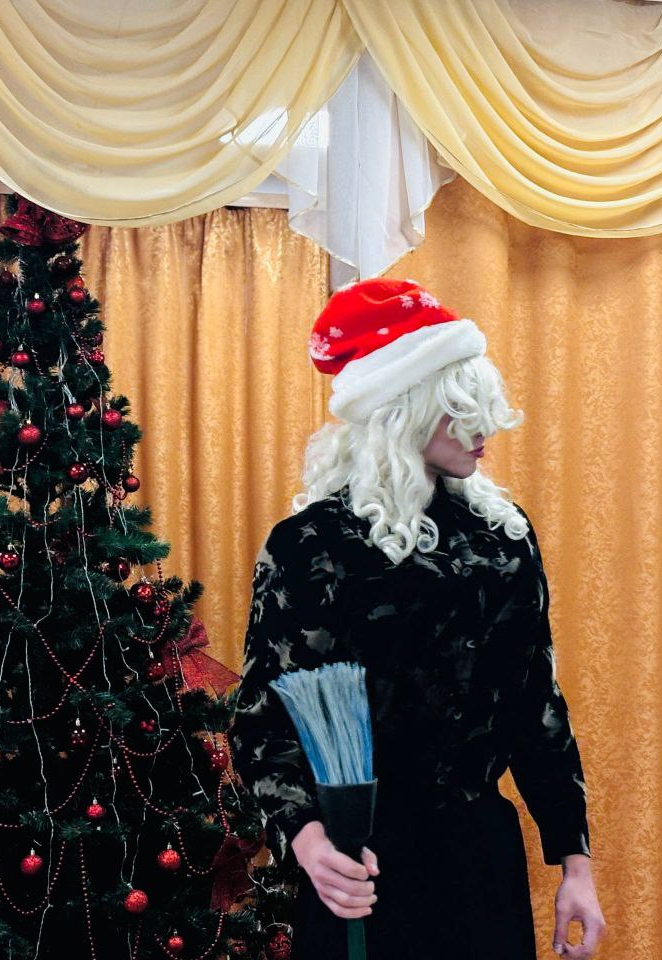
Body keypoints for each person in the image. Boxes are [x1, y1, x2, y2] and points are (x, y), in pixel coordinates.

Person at [229, 278, 607, 959]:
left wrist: (574, 863)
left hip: (478, 862)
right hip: (359, 866)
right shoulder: (312, 545)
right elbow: (264, 716)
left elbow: (535, 704)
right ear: (401, 411)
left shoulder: (503, 537)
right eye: (459, 409)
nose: (484, 428)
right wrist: (309, 844)